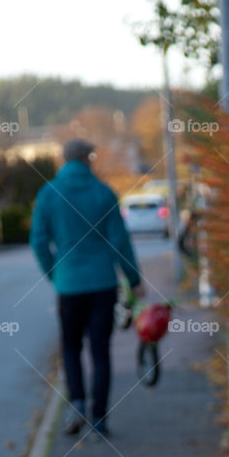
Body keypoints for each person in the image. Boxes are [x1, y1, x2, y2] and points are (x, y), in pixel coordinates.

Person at [30, 138, 143, 437]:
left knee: (70, 347)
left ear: (64, 160)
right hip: (103, 283)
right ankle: (99, 418)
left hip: (68, 285)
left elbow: (39, 242)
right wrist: (133, 279)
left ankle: (77, 402)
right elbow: (120, 241)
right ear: (87, 159)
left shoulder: (49, 193)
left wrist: (55, 274)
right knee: (100, 351)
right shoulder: (103, 193)